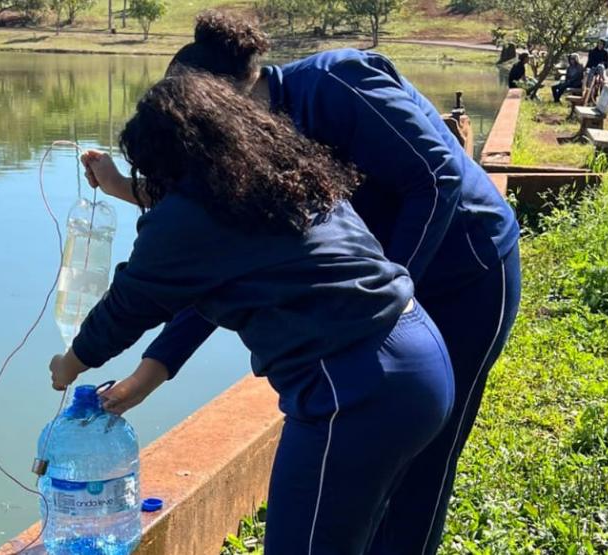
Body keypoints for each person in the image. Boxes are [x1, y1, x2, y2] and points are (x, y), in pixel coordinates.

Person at [82, 12, 521, 555]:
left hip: (470, 270)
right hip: (384, 298)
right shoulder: (246, 160)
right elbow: (216, 264)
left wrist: (388, 294)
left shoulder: (337, 84)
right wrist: (154, 369)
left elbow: (437, 178)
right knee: (370, 474)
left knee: (426, 460)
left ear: (227, 103)